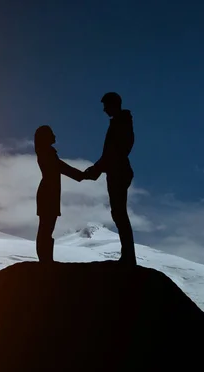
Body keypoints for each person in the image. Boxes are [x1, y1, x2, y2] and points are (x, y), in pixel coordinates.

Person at [84, 92, 136, 265]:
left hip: (119, 172)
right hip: (116, 171)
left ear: (114, 105)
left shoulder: (121, 123)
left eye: (106, 106)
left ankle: (129, 257)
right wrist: (99, 168)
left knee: (119, 213)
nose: (104, 110)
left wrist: (97, 168)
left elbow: (114, 152)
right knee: (118, 213)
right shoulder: (120, 122)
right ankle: (128, 256)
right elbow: (111, 153)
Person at [35, 125, 85, 263]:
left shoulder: (46, 152)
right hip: (48, 194)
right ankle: (45, 260)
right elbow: (61, 167)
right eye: (52, 134)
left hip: (49, 193)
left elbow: (60, 167)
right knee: (46, 227)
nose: (55, 136)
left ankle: (46, 259)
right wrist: (81, 175)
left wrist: (81, 175)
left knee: (47, 227)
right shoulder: (47, 153)